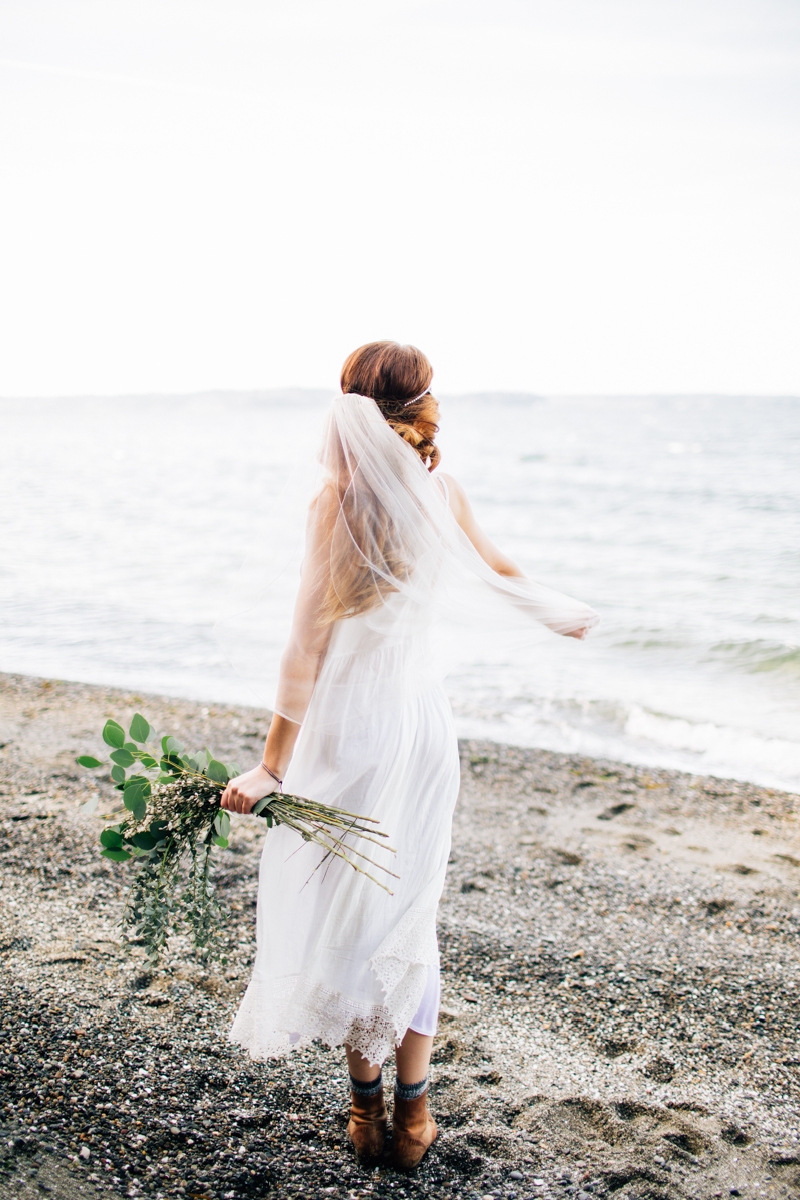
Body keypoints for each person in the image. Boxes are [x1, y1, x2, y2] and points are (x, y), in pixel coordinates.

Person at [220, 341, 598, 1170]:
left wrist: (272, 766)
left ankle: (363, 1113)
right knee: (408, 919)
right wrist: (558, 612)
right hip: (422, 731)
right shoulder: (442, 491)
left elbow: (303, 648)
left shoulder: (336, 503)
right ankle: (416, 1118)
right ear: (422, 404)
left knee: (349, 922)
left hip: (349, 734)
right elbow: (499, 570)